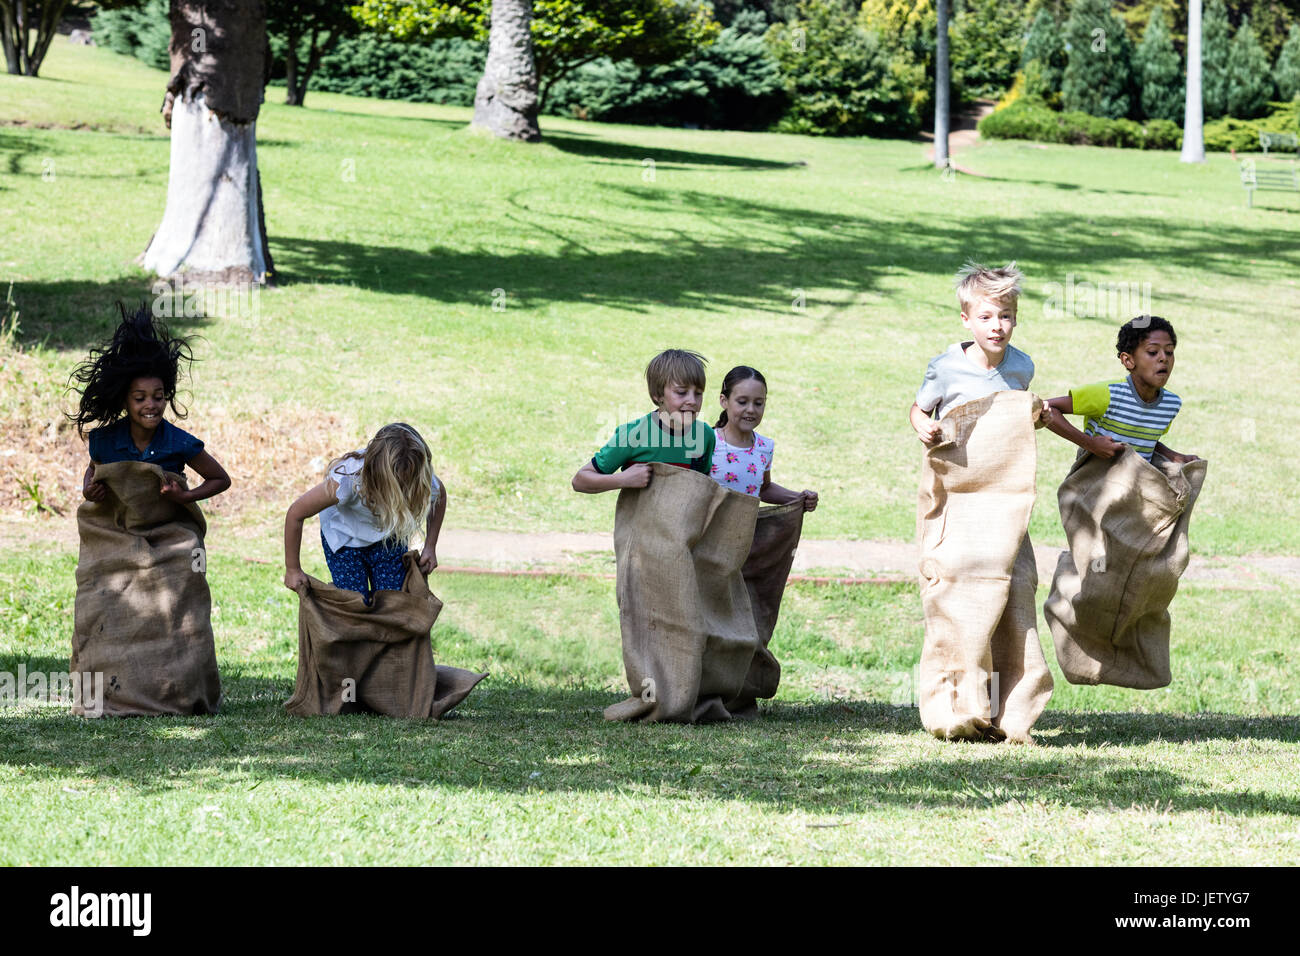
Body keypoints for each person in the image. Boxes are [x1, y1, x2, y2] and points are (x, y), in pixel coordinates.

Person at [69, 303, 231, 503]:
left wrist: (186, 496)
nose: (151, 405)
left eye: (158, 396)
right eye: (139, 398)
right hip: (117, 528)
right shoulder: (106, 441)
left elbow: (220, 479)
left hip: (168, 528)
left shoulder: (179, 442)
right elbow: (93, 468)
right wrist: (88, 489)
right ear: (124, 401)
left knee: (187, 538)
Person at [284, 423, 445, 603]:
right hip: (345, 540)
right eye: (394, 488)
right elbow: (295, 513)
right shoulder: (347, 481)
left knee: (393, 601)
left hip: (387, 538)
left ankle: (385, 631)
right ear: (374, 474)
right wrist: (293, 569)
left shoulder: (416, 474)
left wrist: (430, 546)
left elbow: (439, 497)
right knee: (355, 603)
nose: (401, 491)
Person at [1042, 316, 1198, 463]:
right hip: (1093, 487)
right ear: (1128, 360)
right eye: (1152, 352)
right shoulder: (1109, 394)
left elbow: (1145, 439)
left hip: (1136, 488)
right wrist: (1089, 444)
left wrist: (1175, 456)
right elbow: (1045, 408)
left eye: (1169, 352)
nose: (1164, 358)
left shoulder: (1170, 404)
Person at [909, 261, 1034, 440]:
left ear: (1015, 318)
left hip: (1004, 464)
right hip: (953, 464)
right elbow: (919, 410)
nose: (997, 326)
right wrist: (924, 426)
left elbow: (1017, 417)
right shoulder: (945, 368)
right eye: (985, 317)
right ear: (966, 320)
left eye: (1005, 316)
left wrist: (1039, 418)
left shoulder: (1022, 366)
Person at [572, 349, 716, 494]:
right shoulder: (632, 434)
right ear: (658, 395)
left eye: (698, 393)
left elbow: (704, 484)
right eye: (681, 392)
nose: (692, 401)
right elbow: (580, 481)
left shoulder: (705, 435)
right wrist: (623, 479)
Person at [710, 365, 818, 510]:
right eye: (742, 402)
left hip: (745, 532)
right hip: (708, 531)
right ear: (724, 401)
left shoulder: (764, 447)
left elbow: (764, 488)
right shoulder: (709, 441)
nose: (751, 410)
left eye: (758, 403)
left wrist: (800, 498)